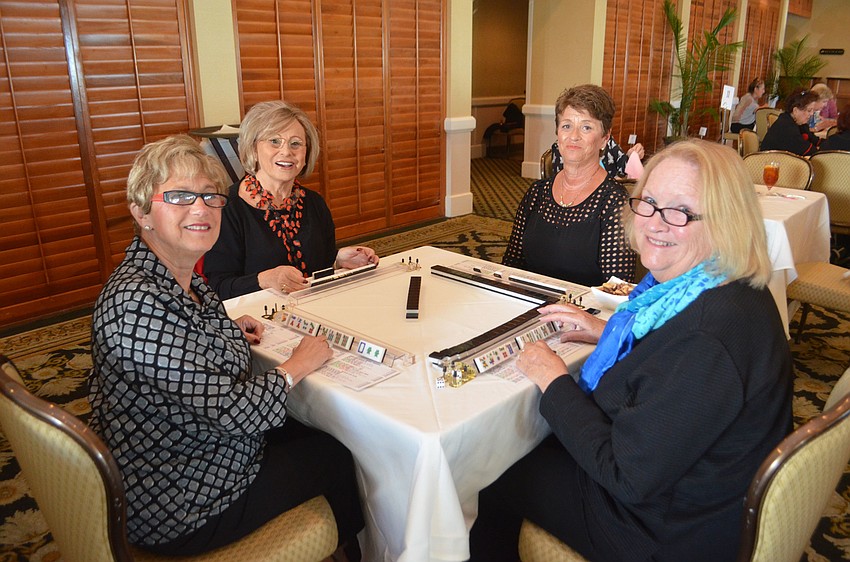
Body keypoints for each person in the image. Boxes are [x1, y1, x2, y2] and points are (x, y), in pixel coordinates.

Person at [470, 139, 793, 562]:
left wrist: (553, 380)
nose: (657, 223)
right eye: (650, 203)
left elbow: (626, 474)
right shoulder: (719, 286)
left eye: (681, 211)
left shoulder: (708, 336)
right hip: (694, 488)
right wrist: (607, 330)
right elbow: (672, 364)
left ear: (727, 220)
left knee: (488, 471)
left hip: (658, 529)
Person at [89, 135, 364, 557]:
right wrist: (296, 365)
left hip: (189, 451)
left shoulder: (174, 274)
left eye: (210, 197)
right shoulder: (137, 303)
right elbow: (232, 412)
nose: (200, 208)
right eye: (179, 196)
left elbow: (181, 343)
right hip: (184, 498)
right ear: (142, 211)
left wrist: (224, 329)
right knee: (344, 450)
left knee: (315, 426)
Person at [204, 100, 379, 299]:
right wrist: (264, 279)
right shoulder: (225, 208)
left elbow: (317, 266)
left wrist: (338, 260)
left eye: (295, 143)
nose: (286, 151)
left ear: (306, 153)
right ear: (253, 149)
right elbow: (217, 289)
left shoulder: (314, 203)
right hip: (256, 321)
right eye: (274, 141)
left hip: (312, 312)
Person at [503, 84, 637, 286]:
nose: (574, 136)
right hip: (529, 306)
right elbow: (512, 264)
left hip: (584, 312)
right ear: (558, 132)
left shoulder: (615, 203)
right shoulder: (536, 194)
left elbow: (616, 288)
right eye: (566, 125)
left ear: (604, 139)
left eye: (586, 127)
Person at [549, 136, 645, 179]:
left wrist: (631, 155)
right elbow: (565, 184)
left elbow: (623, 168)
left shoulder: (607, 141)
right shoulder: (563, 148)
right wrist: (611, 183)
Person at [760, 89, 821, 155]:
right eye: (809, 110)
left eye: (813, 111)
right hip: (769, 162)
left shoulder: (799, 124)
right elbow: (807, 150)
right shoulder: (786, 126)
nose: (812, 114)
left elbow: (814, 140)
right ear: (795, 110)